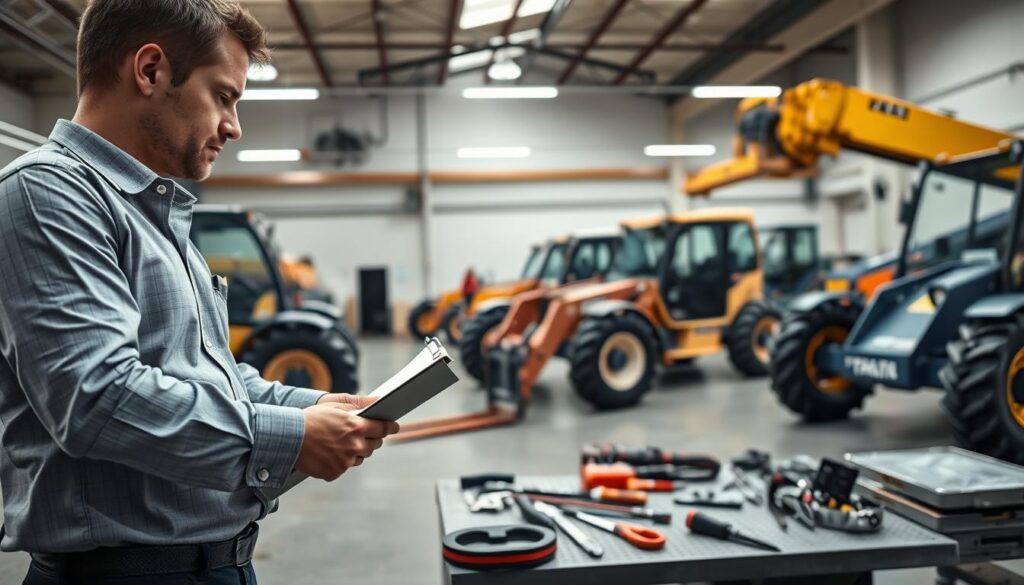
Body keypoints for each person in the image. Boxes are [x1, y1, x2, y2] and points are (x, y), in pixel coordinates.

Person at [0, 1, 399, 583]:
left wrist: (312, 407)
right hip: (124, 574)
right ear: (151, 70)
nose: (234, 125)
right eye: (224, 96)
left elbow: (212, 374)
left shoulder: (159, 218)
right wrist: (292, 439)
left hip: (214, 562)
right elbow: (97, 398)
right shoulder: (48, 196)